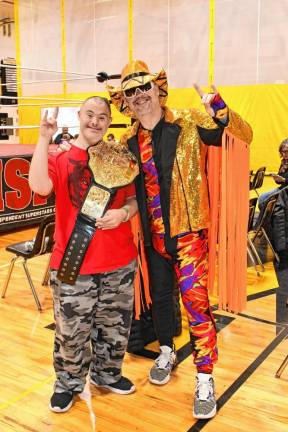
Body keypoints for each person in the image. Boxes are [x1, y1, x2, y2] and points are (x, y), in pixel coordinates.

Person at [107, 60, 253, 419]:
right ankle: (167, 350)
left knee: (197, 307)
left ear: (158, 88)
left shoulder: (189, 122)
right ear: (124, 102)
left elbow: (243, 135)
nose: (140, 96)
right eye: (131, 91)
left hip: (189, 238)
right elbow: (108, 181)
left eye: (145, 87)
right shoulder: (127, 142)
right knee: (160, 301)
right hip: (152, 241)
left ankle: (205, 376)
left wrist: (218, 106)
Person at [29, 96, 139, 413]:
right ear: (79, 116)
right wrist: (43, 137)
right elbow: (39, 186)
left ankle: (107, 375)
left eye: (102, 116)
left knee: (115, 328)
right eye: (89, 115)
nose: (95, 121)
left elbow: (132, 201)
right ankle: (67, 384)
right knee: (70, 332)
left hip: (119, 261)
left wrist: (124, 214)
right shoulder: (61, 157)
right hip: (73, 263)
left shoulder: (120, 157)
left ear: (108, 121)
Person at [258, 138, 288, 208]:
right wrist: (277, 179)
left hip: (286, 192)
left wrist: (284, 180)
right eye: (283, 151)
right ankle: (269, 218)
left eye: (286, 151)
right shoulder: (283, 162)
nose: (285, 154)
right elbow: (280, 181)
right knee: (261, 198)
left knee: (264, 200)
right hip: (282, 189)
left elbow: (284, 180)